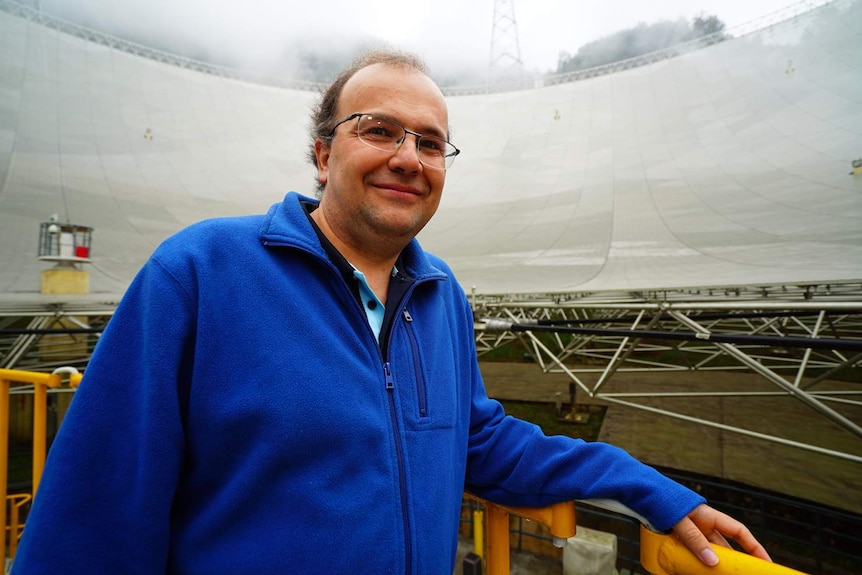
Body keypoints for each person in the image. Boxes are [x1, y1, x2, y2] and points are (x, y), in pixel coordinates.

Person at [12, 49, 771, 574]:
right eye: (379, 129)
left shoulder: (438, 296)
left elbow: (481, 440)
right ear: (322, 153)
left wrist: (653, 490)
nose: (410, 156)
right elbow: (96, 505)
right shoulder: (203, 271)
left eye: (432, 142)